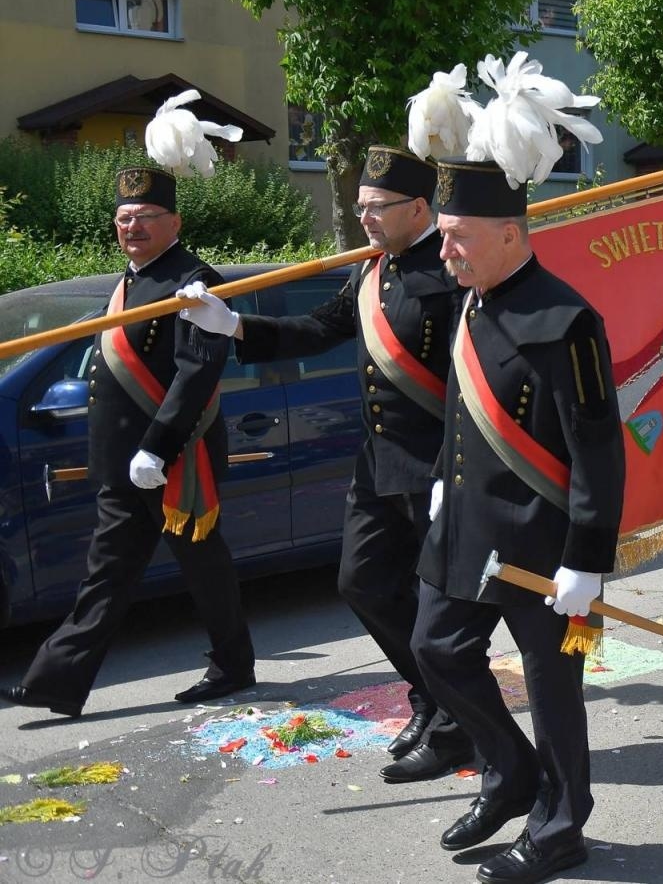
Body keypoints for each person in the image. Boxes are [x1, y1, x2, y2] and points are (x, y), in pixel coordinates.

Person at [176, 145, 471, 783]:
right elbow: (318, 328)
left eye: (376, 207)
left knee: (436, 604)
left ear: (419, 208)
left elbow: (469, 381)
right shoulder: (372, 270)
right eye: (360, 205)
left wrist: (456, 466)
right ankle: (432, 695)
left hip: (434, 465)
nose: (363, 216)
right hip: (378, 464)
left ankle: (455, 730)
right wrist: (231, 325)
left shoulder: (452, 273)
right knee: (361, 583)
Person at [411, 156, 623, 884]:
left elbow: (598, 447)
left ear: (509, 233)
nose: (445, 253)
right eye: (442, 237)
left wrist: (588, 559)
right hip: (467, 531)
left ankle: (561, 828)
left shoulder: (567, 320)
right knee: (434, 648)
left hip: (542, 543)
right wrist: (443, 484)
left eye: (457, 237)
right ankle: (509, 775)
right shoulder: (471, 300)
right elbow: (461, 414)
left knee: (553, 691)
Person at [3, 163, 254, 718]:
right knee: (109, 573)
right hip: (127, 462)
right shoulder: (130, 281)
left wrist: (157, 448)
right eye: (124, 218)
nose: (132, 227)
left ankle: (233, 665)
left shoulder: (193, 281)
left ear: (175, 222)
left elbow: (197, 372)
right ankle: (57, 683)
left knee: (203, 568)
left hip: (175, 459)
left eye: (145, 217)